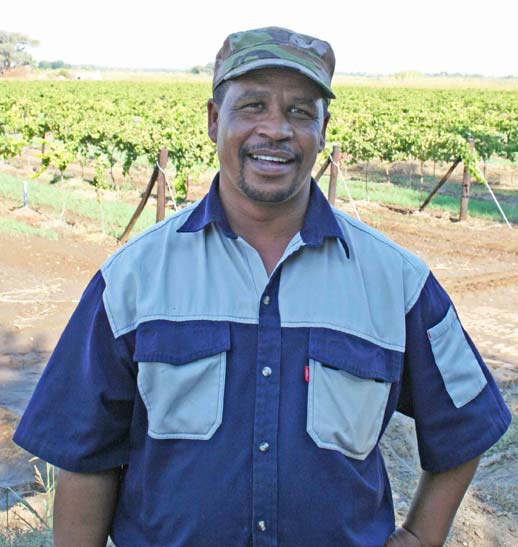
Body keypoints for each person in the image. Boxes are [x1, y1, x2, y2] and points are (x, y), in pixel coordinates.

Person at [14, 27, 511, 547]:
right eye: (252, 105)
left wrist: (420, 536)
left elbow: (467, 419)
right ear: (214, 120)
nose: (275, 129)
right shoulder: (132, 279)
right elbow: (84, 455)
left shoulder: (398, 281)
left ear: (323, 129)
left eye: (300, 111)